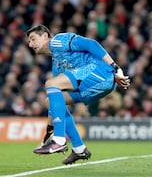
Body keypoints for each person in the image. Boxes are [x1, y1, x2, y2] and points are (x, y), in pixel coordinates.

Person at [26, 25, 130, 165]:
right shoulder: (56, 65)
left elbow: (91, 44)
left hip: (99, 72)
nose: (30, 44)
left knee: (51, 84)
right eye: (29, 41)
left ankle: (60, 140)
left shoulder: (58, 41)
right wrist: (48, 132)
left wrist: (115, 68)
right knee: (50, 100)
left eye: (33, 39)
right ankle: (79, 149)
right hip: (96, 85)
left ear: (45, 36)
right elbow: (56, 103)